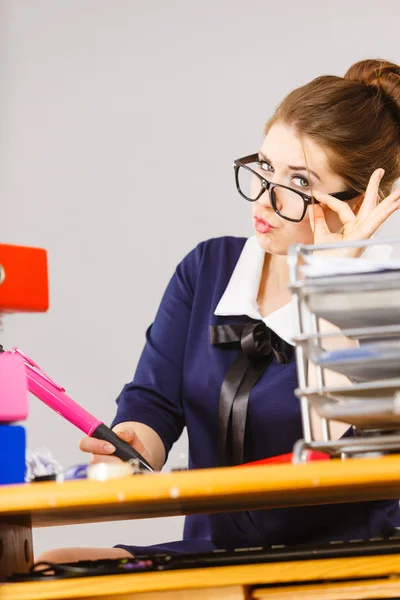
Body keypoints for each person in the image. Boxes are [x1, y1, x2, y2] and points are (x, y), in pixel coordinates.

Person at [38, 58, 400, 563]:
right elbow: (154, 403)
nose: (265, 197)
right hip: (213, 549)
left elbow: (336, 449)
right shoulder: (209, 267)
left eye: (298, 184)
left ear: (357, 202)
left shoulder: (384, 297)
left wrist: (331, 282)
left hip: (341, 556)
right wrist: (133, 441)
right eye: (265, 167)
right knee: (55, 565)